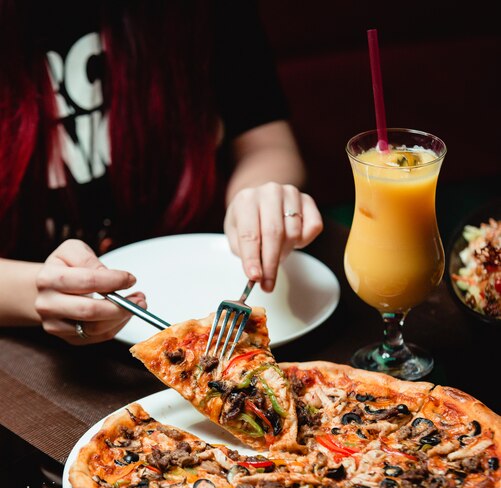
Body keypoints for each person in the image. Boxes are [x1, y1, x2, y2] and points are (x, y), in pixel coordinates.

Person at [0, 0, 323, 345]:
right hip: (29, 341)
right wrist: (35, 293)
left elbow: (268, 142)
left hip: (201, 283)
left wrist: (257, 197)